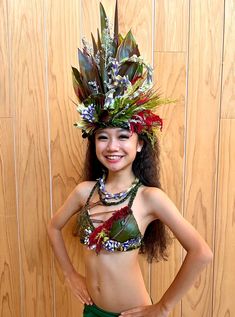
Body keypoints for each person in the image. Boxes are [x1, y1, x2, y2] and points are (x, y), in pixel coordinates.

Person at [47, 3, 213, 316]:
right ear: (93, 143)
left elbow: (202, 252)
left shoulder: (150, 198)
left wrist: (162, 307)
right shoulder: (85, 192)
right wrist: (70, 274)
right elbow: (54, 227)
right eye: (103, 137)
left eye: (123, 136)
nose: (113, 146)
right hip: (91, 311)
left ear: (140, 144)